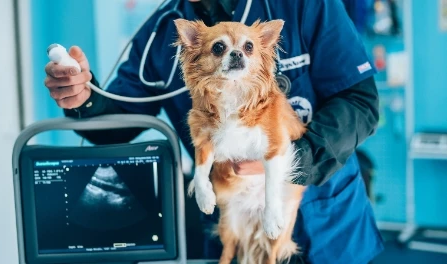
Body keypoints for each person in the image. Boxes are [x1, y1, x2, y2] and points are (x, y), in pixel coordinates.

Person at [44, 0, 384, 263]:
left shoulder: (303, 5)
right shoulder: (161, 32)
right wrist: (85, 99)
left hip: (328, 223)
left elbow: (360, 101)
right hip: (235, 223)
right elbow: (118, 123)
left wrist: (294, 158)